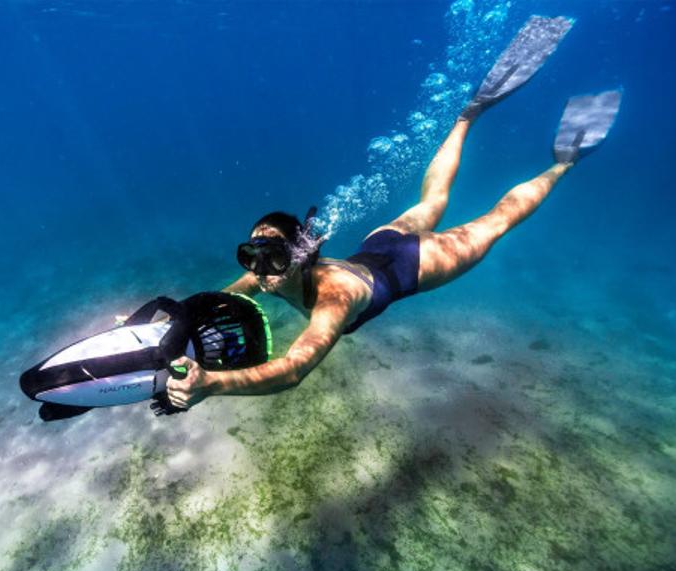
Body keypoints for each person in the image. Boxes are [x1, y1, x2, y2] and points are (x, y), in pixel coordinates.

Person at [163, 16, 622, 412]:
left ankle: (563, 162)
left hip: (415, 264)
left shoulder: (334, 301)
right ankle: (467, 115)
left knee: (497, 220)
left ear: (301, 255)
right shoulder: (266, 276)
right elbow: (221, 298)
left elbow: (293, 369)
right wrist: (167, 321)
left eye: (273, 260)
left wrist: (215, 384)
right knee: (432, 202)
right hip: (377, 245)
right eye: (252, 257)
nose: (260, 274)